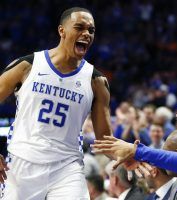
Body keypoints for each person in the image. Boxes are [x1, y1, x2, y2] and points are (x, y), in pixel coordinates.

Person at [0, 7, 112, 199]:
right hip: (22, 163)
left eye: (91, 30)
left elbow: (105, 140)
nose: (86, 34)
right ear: (62, 31)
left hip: (67, 168)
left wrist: (136, 155)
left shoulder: (96, 82)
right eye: (79, 27)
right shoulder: (27, 66)